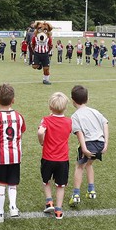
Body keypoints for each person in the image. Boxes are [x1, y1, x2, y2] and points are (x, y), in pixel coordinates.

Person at [0, 83, 25, 223]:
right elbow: (21, 132)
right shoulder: (19, 117)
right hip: (15, 155)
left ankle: (0, 213)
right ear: (13, 100)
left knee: (1, 184)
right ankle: (13, 207)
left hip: (1, 157)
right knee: (13, 183)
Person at [69, 84, 109, 206]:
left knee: (79, 167)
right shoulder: (95, 111)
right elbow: (105, 124)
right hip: (100, 144)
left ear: (72, 100)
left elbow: (79, 133)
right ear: (87, 99)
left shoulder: (75, 116)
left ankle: (76, 194)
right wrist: (106, 143)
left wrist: (84, 148)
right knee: (89, 164)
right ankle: (91, 190)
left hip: (88, 144)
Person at [38, 91, 72, 220]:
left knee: (46, 181)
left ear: (50, 107)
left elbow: (40, 131)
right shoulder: (69, 121)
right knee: (60, 185)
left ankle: (49, 202)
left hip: (48, 158)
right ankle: (58, 210)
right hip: (63, 159)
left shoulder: (46, 120)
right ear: (65, 107)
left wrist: (41, 141)